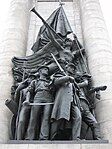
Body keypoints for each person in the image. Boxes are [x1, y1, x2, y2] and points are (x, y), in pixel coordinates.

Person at [51, 63, 82, 140]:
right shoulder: (60, 74)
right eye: (71, 67)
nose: (73, 69)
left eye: (74, 68)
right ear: (66, 67)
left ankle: (76, 138)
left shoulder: (73, 80)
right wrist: (67, 77)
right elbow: (55, 82)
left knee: (78, 117)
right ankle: (52, 136)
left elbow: (75, 92)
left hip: (73, 102)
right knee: (59, 118)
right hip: (62, 100)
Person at [25, 65, 54, 140]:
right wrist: (27, 100)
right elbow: (29, 91)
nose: (47, 70)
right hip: (38, 97)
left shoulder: (50, 81)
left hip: (48, 98)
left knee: (46, 118)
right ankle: (29, 137)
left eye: (47, 69)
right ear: (40, 71)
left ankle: (44, 137)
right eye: (45, 69)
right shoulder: (35, 81)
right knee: (33, 118)